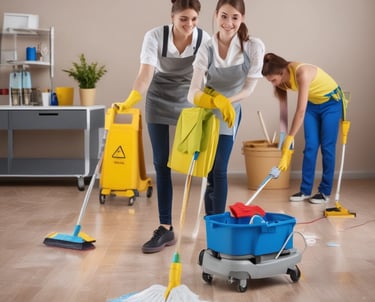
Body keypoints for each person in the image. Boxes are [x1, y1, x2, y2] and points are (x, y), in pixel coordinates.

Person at [114, 0, 210, 253]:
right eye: (183, 20)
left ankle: (212, 223)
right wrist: (131, 100)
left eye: (193, 20)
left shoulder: (204, 39)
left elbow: (207, 76)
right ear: (172, 17)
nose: (189, 25)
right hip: (158, 99)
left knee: (198, 163)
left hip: (190, 100)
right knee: (161, 163)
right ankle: (165, 228)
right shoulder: (155, 36)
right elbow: (145, 74)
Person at [187, 0, 265, 215]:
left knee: (219, 169)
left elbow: (249, 89)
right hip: (206, 112)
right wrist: (216, 101)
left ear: (242, 19)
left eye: (234, 17)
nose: (228, 23)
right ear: (215, 15)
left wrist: (227, 103)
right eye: (224, 16)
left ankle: (218, 221)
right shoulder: (206, 47)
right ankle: (210, 220)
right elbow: (192, 93)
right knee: (209, 171)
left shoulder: (253, 47)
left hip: (230, 114)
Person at [261, 52, 346, 204]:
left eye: (273, 80)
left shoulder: (302, 73)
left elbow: (300, 111)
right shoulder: (281, 81)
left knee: (327, 147)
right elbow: (284, 110)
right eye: (270, 81)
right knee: (311, 146)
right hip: (313, 105)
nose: (273, 83)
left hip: (332, 103)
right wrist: (284, 135)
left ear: (282, 72)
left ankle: (325, 192)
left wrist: (291, 137)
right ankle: (305, 190)